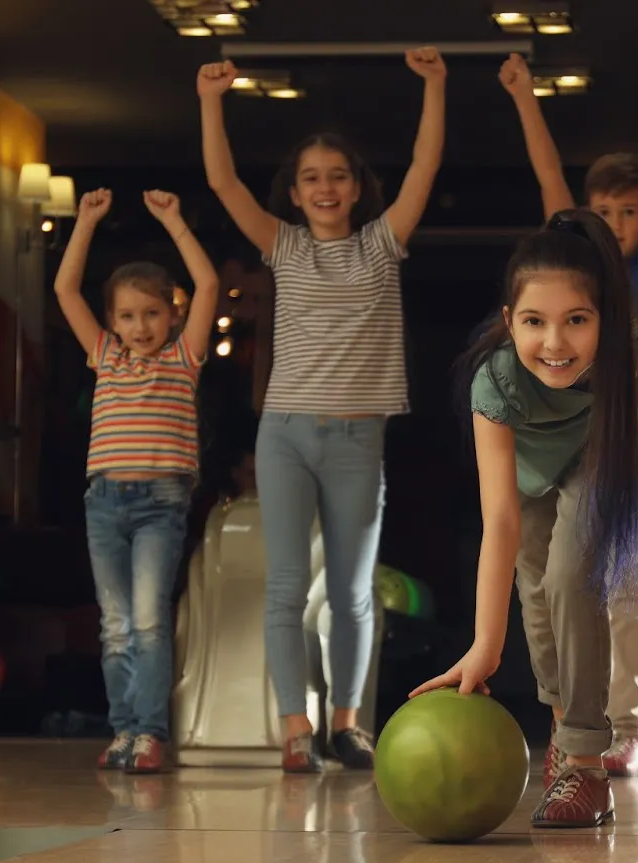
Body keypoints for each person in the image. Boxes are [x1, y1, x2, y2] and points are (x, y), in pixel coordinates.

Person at [196, 49, 446, 773]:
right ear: (295, 192)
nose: (326, 187)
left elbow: (425, 168)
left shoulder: (382, 243)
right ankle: (294, 729)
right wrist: (211, 100)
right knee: (284, 586)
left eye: (338, 175)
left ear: (359, 186)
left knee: (351, 589)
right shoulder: (282, 245)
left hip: (357, 438)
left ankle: (347, 723)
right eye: (312, 178)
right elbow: (220, 179)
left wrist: (433, 86)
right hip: (286, 435)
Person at [497, 51, 638, 778]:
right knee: (551, 577)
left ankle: (630, 727)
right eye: (607, 211)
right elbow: (547, 179)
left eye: (632, 210)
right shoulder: (572, 269)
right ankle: (572, 716)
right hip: (564, 438)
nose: (620, 222)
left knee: (628, 581)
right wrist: (524, 97)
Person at [411, 208, 638, 829]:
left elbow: (620, 449)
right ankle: (562, 727)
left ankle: (586, 765)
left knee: (574, 577)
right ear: (508, 323)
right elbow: (500, 522)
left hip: (595, 461)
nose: (555, 342)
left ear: (606, 321)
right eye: (534, 322)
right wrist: (484, 650)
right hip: (528, 481)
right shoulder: (495, 383)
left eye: (577, 320)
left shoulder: (630, 355)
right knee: (538, 601)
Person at [53, 187, 220, 773]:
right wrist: (85, 224)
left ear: (172, 314)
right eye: (127, 315)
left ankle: (150, 733)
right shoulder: (105, 356)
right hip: (104, 501)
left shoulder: (184, 358)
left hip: (159, 503)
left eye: (152, 313)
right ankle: (123, 730)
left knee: (148, 620)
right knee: (115, 625)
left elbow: (208, 285)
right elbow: (64, 290)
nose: (140, 325)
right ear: (111, 322)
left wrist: (175, 221)